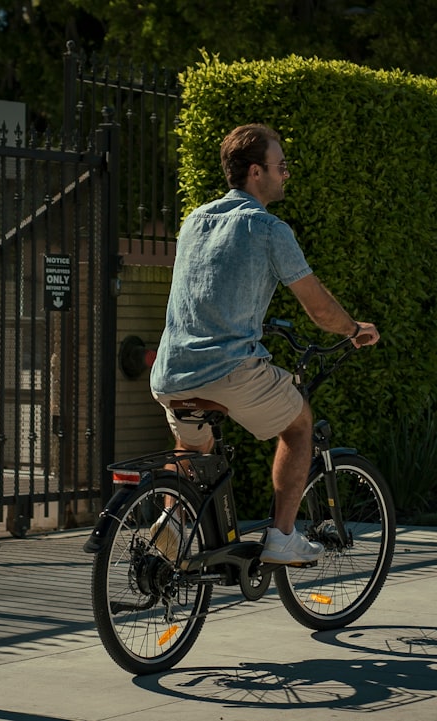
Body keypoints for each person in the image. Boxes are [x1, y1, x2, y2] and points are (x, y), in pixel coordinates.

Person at [149, 123, 380, 565]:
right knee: (298, 426)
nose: (286, 174)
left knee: (193, 445)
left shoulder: (194, 220)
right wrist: (354, 329)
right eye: (281, 166)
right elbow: (319, 310)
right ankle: (282, 537)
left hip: (171, 372)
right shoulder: (269, 229)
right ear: (256, 172)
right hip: (230, 370)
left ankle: (172, 523)